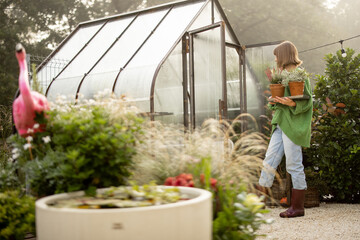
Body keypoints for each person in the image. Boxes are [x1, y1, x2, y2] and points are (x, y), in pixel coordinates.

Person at [257, 41, 313, 218]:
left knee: (293, 164)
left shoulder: (300, 75)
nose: (275, 59)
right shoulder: (280, 75)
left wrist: (293, 103)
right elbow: (279, 102)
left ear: (283, 55)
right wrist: (274, 102)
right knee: (268, 162)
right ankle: (258, 204)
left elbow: (308, 101)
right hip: (280, 124)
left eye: (276, 56)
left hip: (293, 126)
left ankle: (297, 207)